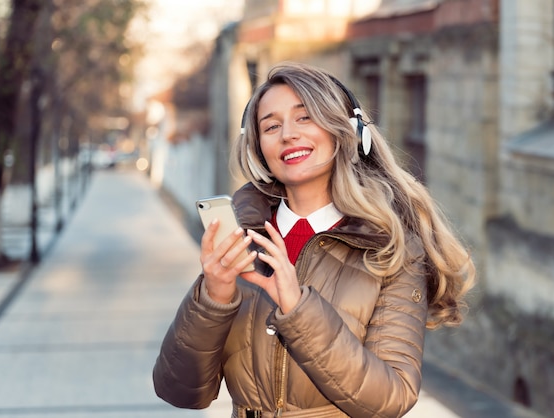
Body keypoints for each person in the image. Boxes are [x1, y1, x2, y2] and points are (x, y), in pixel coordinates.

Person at [152, 62, 476, 417]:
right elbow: (178, 389)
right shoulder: (243, 241)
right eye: (271, 126)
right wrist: (213, 297)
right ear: (260, 148)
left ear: (346, 130)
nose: (288, 134)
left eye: (305, 117)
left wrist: (298, 309)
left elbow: (392, 399)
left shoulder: (392, 248)